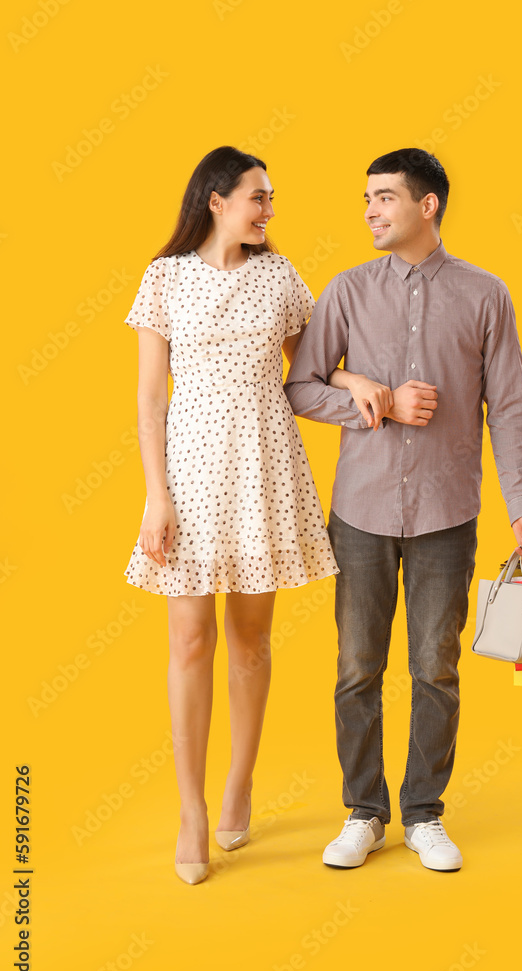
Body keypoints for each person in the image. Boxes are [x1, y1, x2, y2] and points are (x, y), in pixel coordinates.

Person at [284, 148, 522, 872]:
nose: (369, 210)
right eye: (365, 198)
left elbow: (511, 407)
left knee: (435, 667)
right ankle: (363, 813)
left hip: (446, 514)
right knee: (356, 667)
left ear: (426, 205)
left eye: (383, 198)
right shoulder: (344, 291)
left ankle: (425, 812)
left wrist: (520, 504)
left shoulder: (485, 294)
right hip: (360, 513)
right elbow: (300, 386)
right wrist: (370, 401)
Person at [122, 146, 339, 884]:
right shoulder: (164, 279)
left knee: (250, 640)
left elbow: (312, 367)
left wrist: (363, 379)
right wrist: (157, 495)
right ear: (216, 200)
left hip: (263, 465)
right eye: (258, 196)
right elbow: (151, 401)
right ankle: (190, 809)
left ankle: (239, 780)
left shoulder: (279, 276)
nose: (268, 208)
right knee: (189, 640)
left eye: (271, 197)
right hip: (188, 469)